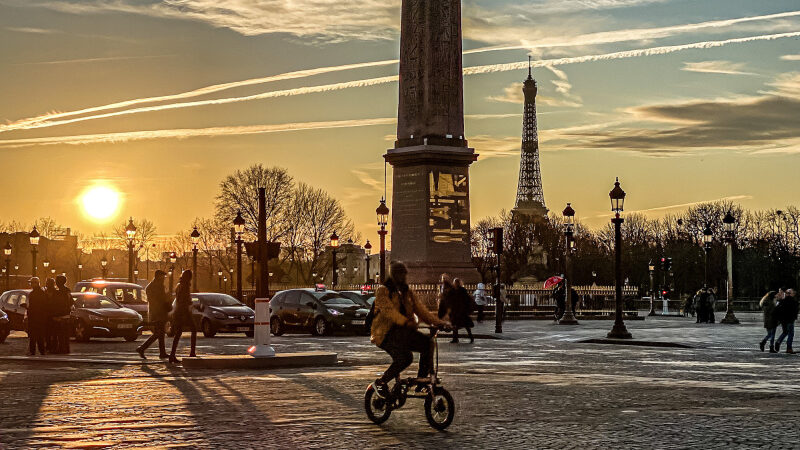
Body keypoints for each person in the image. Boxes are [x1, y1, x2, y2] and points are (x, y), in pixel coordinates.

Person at [371, 261, 449, 397]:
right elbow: (389, 312)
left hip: (402, 332)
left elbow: (421, 311)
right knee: (404, 358)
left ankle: (422, 380)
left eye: (404, 274)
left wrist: (440, 323)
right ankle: (381, 382)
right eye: (401, 274)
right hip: (385, 334)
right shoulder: (383, 291)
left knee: (427, 343)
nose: (403, 277)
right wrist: (405, 322)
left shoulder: (407, 293)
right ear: (395, 275)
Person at [137, 270, 170, 359]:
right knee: (159, 333)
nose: (164, 279)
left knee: (160, 333)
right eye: (163, 277)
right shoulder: (157, 286)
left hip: (156, 311)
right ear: (159, 277)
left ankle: (161, 352)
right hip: (158, 312)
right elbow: (159, 300)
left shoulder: (152, 286)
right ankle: (142, 348)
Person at [168, 270, 197, 363]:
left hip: (178, 311)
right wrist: (193, 304)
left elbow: (179, 299)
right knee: (193, 329)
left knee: (178, 333)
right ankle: (192, 352)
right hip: (183, 311)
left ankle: (172, 354)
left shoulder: (179, 285)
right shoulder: (185, 286)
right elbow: (185, 300)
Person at [448, 278, 475, 344]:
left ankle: (471, 337)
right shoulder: (453, 290)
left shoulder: (462, 290)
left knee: (466, 325)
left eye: (456, 282)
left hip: (462, 310)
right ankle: (455, 339)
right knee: (455, 325)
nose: (455, 284)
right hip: (456, 310)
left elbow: (466, 300)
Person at [26, 277, 48, 355]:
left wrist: (28, 310)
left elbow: (32, 307)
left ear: (36, 283)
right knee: (40, 336)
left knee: (33, 336)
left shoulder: (33, 294)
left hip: (34, 317)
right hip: (41, 318)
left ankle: (32, 351)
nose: (31, 284)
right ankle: (42, 350)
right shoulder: (42, 293)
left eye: (32, 283)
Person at [53, 275, 72, 354]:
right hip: (67, 315)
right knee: (65, 335)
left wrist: (56, 315)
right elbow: (71, 302)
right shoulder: (67, 291)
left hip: (61, 316)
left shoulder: (59, 292)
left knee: (60, 334)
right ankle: (66, 349)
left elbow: (58, 305)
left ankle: (61, 349)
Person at [775, 288, 798, 354]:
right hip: (790, 320)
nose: (793, 294)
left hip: (784, 320)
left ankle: (779, 342)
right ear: (791, 294)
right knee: (790, 333)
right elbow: (795, 310)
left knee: (785, 332)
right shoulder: (793, 301)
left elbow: (778, 309)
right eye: (793, 293)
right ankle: (789, 348)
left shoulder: (783, 301)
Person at [44, 277, 58, 353]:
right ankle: (49, 346)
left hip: (52, 315)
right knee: (48, 333)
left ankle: (52, 347)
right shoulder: (46, 293)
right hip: (48, 316)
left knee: (52, 333)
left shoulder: (54, 293)